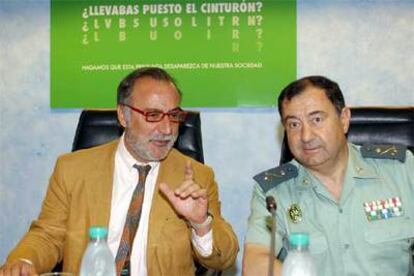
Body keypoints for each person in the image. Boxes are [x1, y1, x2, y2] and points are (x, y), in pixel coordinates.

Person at [0, 67, 238, 276]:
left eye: (174, 116)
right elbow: (47, 235)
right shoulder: (72, 169)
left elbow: (223, 258)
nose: (167, 129)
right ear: (123, 115)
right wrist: (24, 261)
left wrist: (200, 223)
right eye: (153, 115)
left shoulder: (196, 176)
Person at [242, 76, 414, 275]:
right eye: (294, 125)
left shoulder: (401, 169)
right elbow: (256, 261)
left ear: (344, 119)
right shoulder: (274, 193)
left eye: (317, 119)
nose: (306, 136)